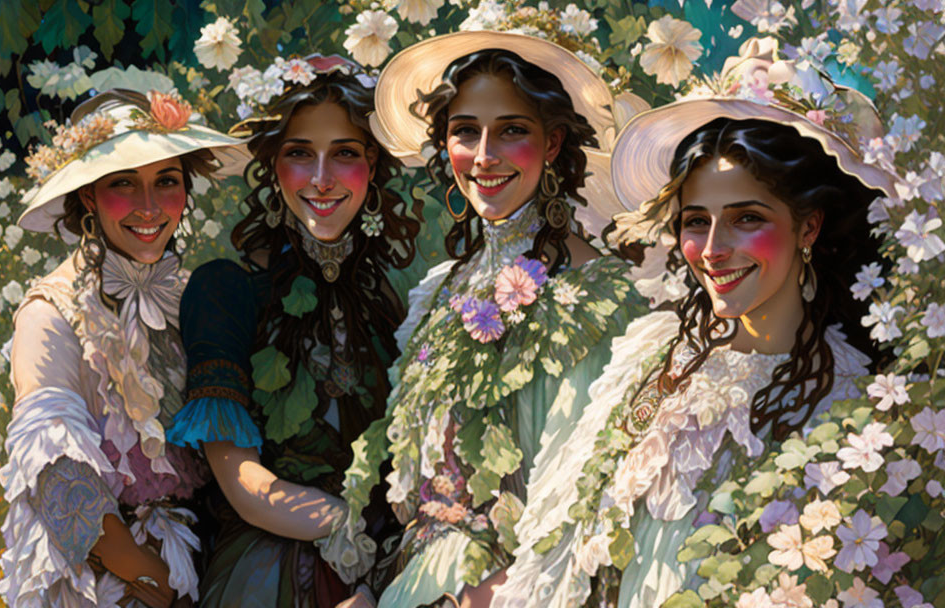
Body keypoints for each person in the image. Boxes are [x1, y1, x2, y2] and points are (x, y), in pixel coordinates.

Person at [492, 37, 898, 608]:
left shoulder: (849, 402)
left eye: (746, 219)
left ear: (808, 228)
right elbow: (558, 544)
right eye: (695, 221)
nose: (710, 250)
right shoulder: (652, 350)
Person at [326, 31, 646, 608]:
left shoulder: (597, 294)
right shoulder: (442, 287)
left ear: (552, 144)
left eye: (512, 131)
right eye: (466, 131)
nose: (485, 155)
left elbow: (586, 501)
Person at [165, 54, 420, 607]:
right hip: (267, 568)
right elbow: (243, 484)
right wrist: (339, 526)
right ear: (272, 165)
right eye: (300, 154)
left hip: (381, 569)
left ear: (372, 167)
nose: (322, 179)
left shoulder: (388, 302)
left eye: (345, 154)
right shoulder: (226, 291)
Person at [0, 89, 249, 607]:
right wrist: (159, 587)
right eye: (124, 185)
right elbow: (58, 482)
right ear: (89, 196)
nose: (150, 207)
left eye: (167, 182)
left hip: (203, 558)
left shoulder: (187, 299)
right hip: (109, 580)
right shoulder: (51, 312)